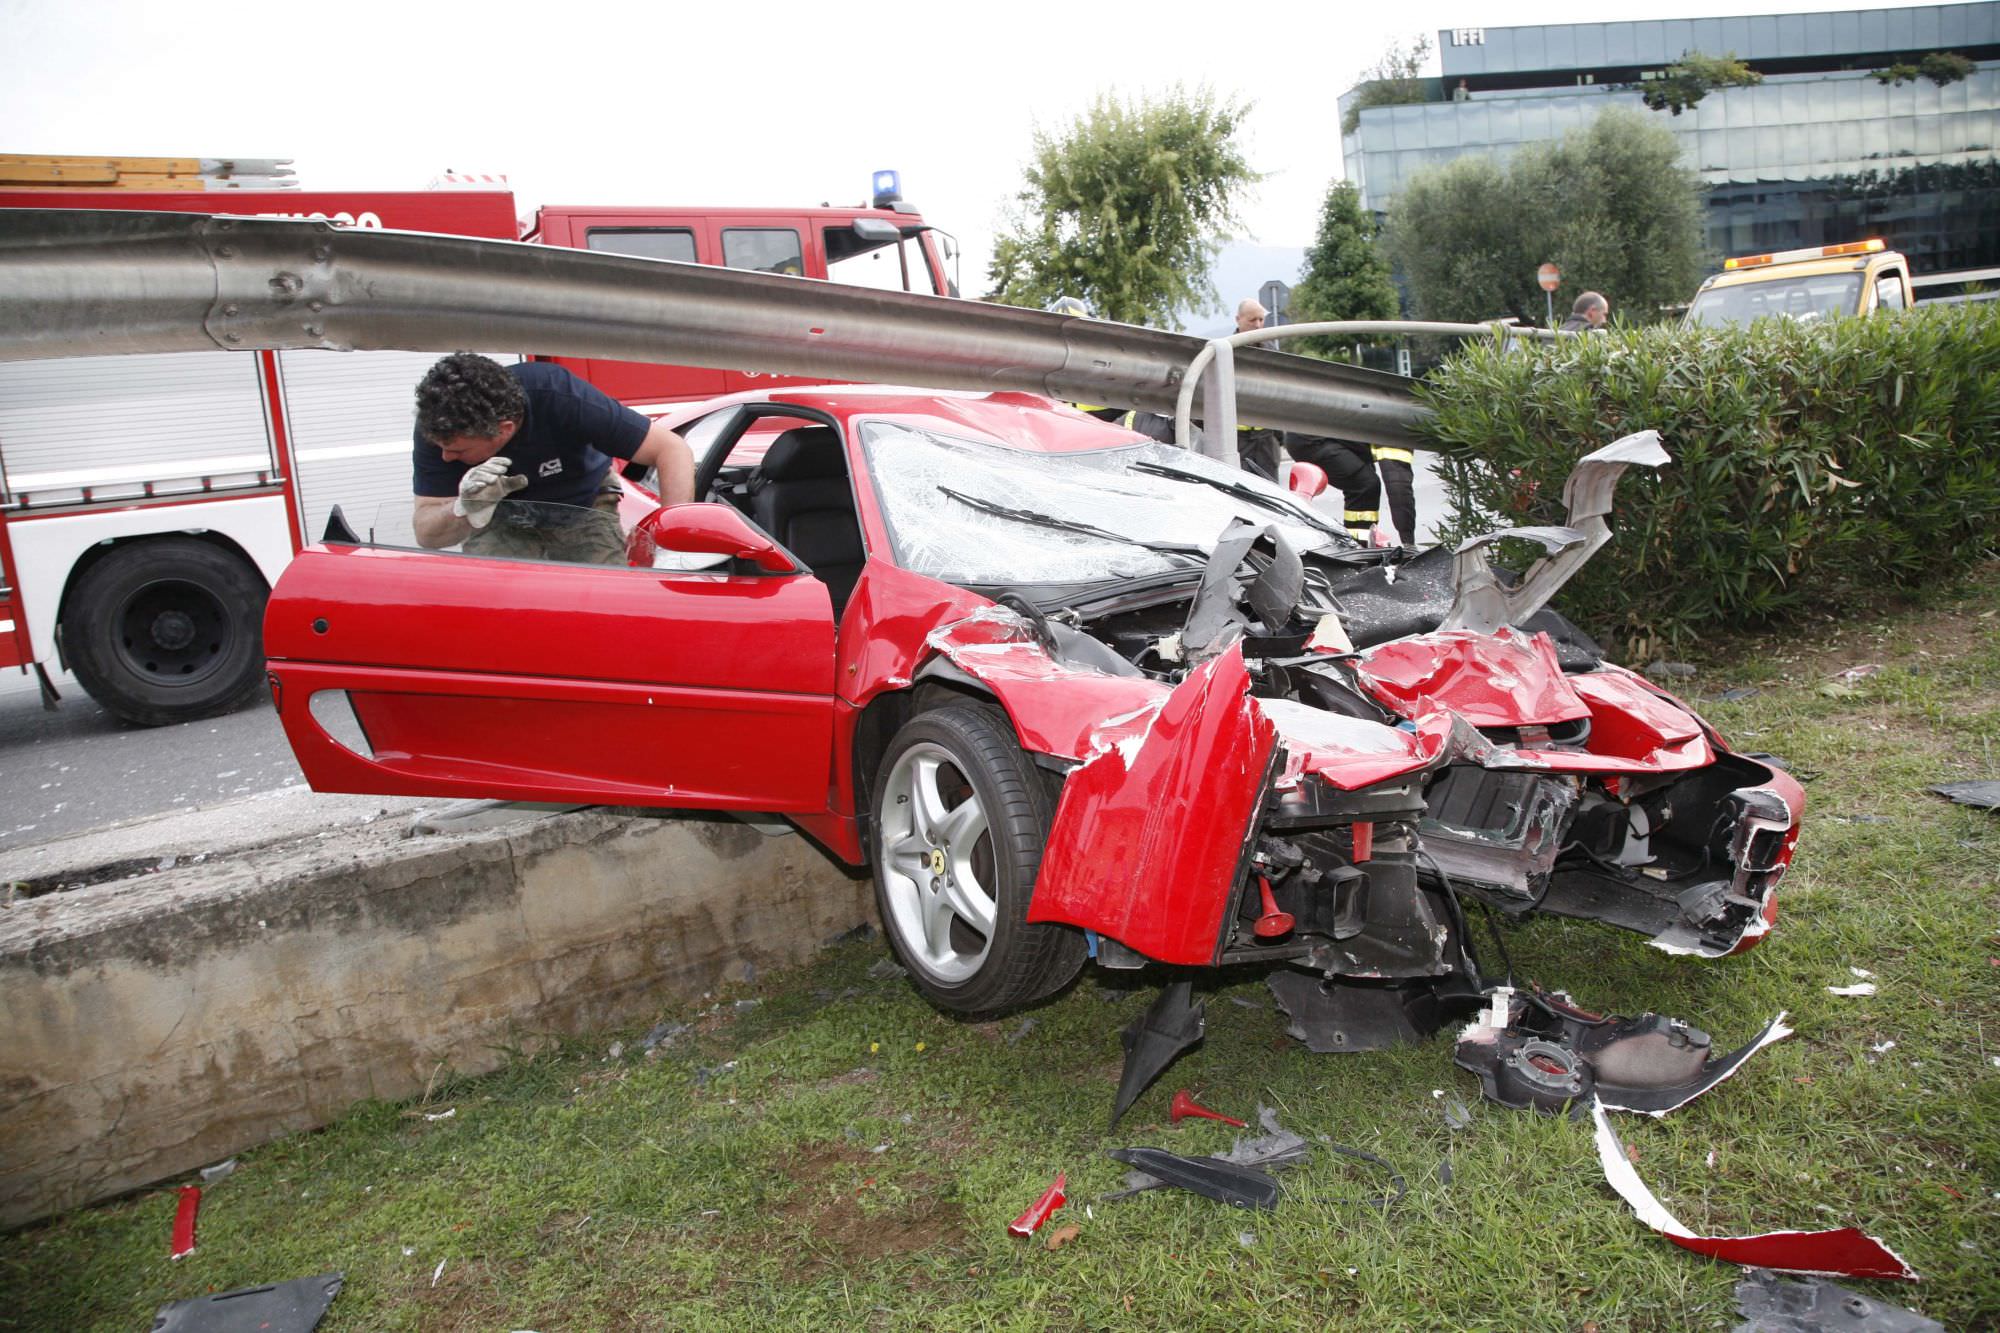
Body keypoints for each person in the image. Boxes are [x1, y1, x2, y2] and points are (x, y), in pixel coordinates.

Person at [410, 353, 693, 564]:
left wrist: (673, 546)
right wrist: (464, 508)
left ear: (503, 430)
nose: (446, 458)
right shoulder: (440, 426)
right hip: (500, 517)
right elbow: (427, 535)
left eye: (458, 452)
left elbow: (671, 449)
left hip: (583, 504)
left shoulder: (559, 395)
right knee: (494, 604)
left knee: (606, 600)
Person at [1232, 298, 1283, 483]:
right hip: (1237, 439)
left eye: (1261, 320)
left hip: (1266, 438)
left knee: (1271, 493)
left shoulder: (1271, 351)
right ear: (1238, 319)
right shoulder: (1226, 351)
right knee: (1239, 491)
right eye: (1252, 320)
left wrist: (1278, 436)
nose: (1258, 325)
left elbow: (1280, 395)